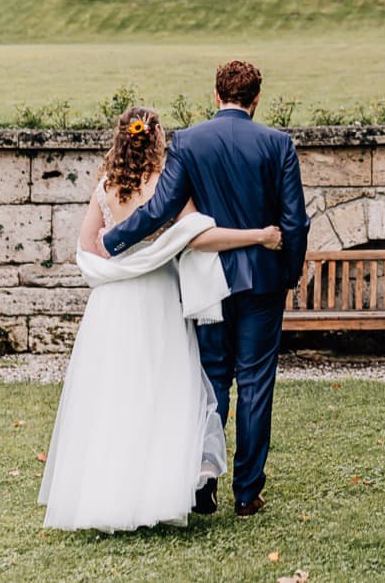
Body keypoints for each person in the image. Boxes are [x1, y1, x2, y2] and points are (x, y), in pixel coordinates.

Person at [38, 106, 283, 532]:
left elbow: (88, 248)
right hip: (156, 297)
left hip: (113, 304)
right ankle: (159, 492)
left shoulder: (104, 188)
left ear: (121, 140)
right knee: (162, 390)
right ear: (156, 140)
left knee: (113, 394)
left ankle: (107, 494)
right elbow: (202, 236)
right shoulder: (164, 186)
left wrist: (123, 262)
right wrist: (260, 235)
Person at [100, 62, 309, 519]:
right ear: (256, 99)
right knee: (255, 383)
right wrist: (289, 273)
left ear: (216, 96)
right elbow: (295, 219)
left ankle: (203, 484)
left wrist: (114, 240)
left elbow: (162, 207)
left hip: (206, 280)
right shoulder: (278, 144)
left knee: (213, 379)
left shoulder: (190, 142)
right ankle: (247, 492)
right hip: (262, 280)